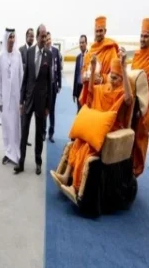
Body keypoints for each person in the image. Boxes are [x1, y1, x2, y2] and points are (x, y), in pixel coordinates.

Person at [54, 54, 132, 193]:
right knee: (78, 142)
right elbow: (90, 92)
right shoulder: (104, 88)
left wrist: (125, 69)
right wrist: (94, 67)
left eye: (116, 78)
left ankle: (75, 187)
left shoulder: (121, 92)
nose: (112, 80)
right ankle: (66, 176)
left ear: (121, 79)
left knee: (86, 150)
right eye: (111, 76)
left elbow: (128, 99)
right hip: (95, 127)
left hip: (109, 131)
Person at [15, 24, 53, 175]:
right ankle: (21, 162)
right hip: (28, 100)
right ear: (37, 37)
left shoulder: (48, 55)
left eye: (46, 36)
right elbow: (25, 79)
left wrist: (48, 105)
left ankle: (38, 162)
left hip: (41, 103)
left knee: (39, 134)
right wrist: (21, 101)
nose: (44, 39)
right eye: (42, 36)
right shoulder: (29, 53)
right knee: (24, 132)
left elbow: (49, 82)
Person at [0, 28, 23, 166]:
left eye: (14, 37)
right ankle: (7, 152)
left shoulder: (18, 55)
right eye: (10, 37)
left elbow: (21, 77)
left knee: (15, 126)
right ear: (6, 39)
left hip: (16, 99)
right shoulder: (1, 57)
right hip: (5, 100)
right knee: (6, 126)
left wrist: (22, 99)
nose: (12, 40)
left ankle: (16, 152)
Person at [78, 16, 120, 105]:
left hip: (104, 94)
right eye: (97, 31)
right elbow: (84, 71)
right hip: (90, 94)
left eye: (101, 31)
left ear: (105, 31)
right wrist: (84, 76)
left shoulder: (111, 49)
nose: (99, 34)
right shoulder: (91, 51)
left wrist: (102, 79)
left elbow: (116, 75)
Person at [130, 18, 149, 177]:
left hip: (145, 108)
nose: (143, 39)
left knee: (140, 140)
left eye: (146, 36)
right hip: (133, 106)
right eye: (142, 36)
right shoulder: (136, 55)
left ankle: (136, 171)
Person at [45, 32, 62, 143]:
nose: (48, 41)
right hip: (44, 87)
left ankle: (51, 133)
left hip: (53, 86)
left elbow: (59, 69)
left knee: (52, 110)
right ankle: (42, 133)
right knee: (44, 110)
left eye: (50, 39)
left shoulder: (56, 51)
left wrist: (59, 84)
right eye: (47, 39)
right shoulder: (43, 52)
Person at [73, 35, 88, 112]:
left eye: (83, 42)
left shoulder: (90, 56)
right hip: (78, 87)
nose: (81, 45)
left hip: (85, 87)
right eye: (80, 43)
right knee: (78, 109)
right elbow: (76, 75)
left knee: (84, 109)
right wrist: (74, 92)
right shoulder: (78, 57)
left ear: (86, 43)